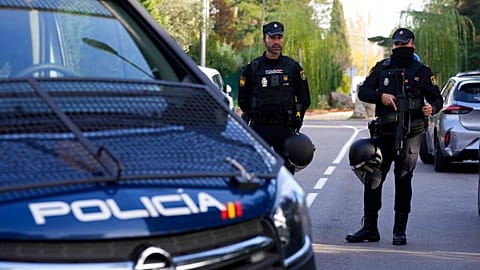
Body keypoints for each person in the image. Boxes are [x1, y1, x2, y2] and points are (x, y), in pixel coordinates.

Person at [346, 28, 443, 245]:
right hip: (384, 133)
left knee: (403, 180)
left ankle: (400, 231)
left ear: (413, 45)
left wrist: (431, 108)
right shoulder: (382, 68)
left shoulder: (422, 71)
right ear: (393, 46)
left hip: (411, 134)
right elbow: (363, 92)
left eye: (404, 44)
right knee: (373, 179)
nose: (400, 48)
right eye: (397, 45)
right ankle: (370, 229)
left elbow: (437, 98)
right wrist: (381, 96)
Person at [238, 21, 311, 174]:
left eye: (279, 38)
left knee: (285, 175)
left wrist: (297, 118)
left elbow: (304, 100)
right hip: (260, 128)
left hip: (284, 128)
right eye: (272, 38)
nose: (277, 42)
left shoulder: (292, 67)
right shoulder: (253, 67)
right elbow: (243, 100)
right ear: (265, 39)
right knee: (256, 173)